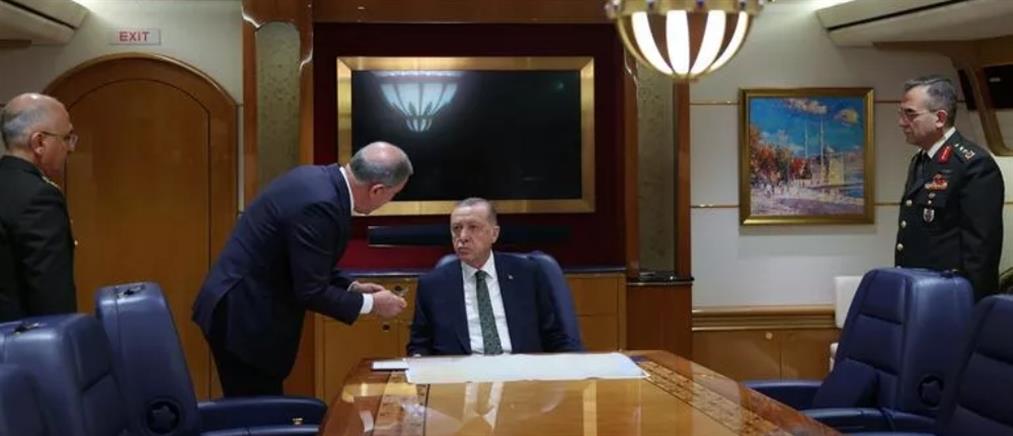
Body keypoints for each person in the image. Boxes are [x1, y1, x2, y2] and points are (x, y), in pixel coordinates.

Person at [192, 142, 411, 397]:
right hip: (245, 317)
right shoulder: (321, 205)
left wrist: (352, 287)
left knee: (257, 404)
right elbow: (311, 291)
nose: (389, 201)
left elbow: (304, 262)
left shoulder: (316, 179)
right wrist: (372, 304)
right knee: (255, 408)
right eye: (393, 194)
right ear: (377, 190)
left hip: (241, 306)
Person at [407, 197, 581, 356]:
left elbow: (555, 337)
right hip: (461, 374)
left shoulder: (528, 274)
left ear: (494, 234)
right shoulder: (432, 285)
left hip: (521, 371)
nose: (463, 237)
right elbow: (419, 347)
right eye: (457, 228)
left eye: (473, 227)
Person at [895, 75, 1004, 301]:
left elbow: (981, 251)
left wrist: (970, 307)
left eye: (910, 114)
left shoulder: (973, 164)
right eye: (901, 113)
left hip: (951, 299)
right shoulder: (921, 160)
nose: (902, 122)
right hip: (920, 293)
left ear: (940, 118)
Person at [0, 93, 78, 322]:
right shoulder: (39, 197)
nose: (71, 148)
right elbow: (51, 297)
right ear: (39, 143)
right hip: (21, 339)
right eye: (67, 138)